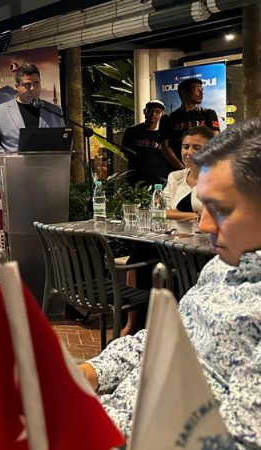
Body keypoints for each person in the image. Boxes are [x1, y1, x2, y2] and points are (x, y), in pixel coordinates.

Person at [78, 118, 261, 447]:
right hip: (107, 418)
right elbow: (164, 340)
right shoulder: (221, 266)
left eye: (220, 209)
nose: (204, 225)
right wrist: (91, 372)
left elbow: (235, 440)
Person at [0, 63, 66, 163]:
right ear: (17, 86)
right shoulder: (0, 112)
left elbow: (65, 140)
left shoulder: (55, 111)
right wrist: (5, 159)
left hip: (49, 169)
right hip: (15, 170)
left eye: (36, 83)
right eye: (27, 85)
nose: (33, 88)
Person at [159, 77, 220, 167]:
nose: (201, 93)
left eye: (202, 90)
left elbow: (215, 138)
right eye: (196, 89)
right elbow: (165, 145)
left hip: (203, 166)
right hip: (176, 169)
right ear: (184, 92)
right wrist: (180, 166)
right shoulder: (167, 118)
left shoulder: (208, 113)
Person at [163, 126, 215, 221]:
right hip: (174, 230)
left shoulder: (222, 179)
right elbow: (161, 212)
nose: (189, 152)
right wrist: (197, 216)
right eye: (185, 147)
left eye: (197, 148)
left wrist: (177, 215)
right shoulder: (174, 177)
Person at [123, 100, 173, 187]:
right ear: (144, 112)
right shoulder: (131, 131)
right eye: (150, 110)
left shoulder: (165, 134)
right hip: (135, 180)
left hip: (159, 181)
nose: (153, 114)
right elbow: (126, 153)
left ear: (162, 114)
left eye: (157, 111)